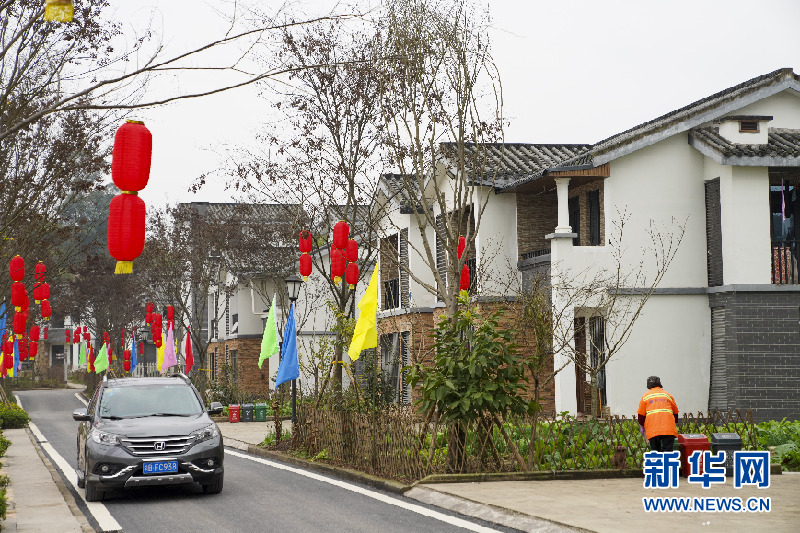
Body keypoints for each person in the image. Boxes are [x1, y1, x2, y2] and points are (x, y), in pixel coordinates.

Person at [637, 376, 679, 452]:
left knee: (656, 453)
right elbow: (675, 413)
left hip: (653, 430)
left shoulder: (645, 396)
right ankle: (666, 463)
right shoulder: (667, 395)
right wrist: (674, 423)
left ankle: (658, 463)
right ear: (659, 384)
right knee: (667, 452)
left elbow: (641, 416)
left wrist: (642, 427)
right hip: (668, 429)